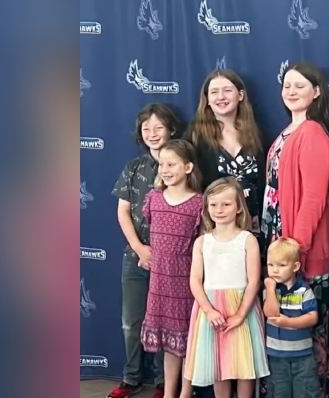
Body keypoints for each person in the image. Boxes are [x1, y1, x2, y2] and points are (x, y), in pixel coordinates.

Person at [261, 62, 329, 397]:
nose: (291, 91)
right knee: (284, 341)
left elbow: (314, 196)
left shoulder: (312, 133)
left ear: (317, 92)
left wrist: (297, 248)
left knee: (309, 341)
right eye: (287, 86)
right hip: (282, 248)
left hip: (301, 252)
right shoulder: (288, 131)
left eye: (300, 85)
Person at [110, 103, 186, 398]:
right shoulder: (134, 168)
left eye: (158, 127)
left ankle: (162, 381)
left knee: (168, 323)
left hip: (173, 262)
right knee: (132, 322)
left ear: (171, 130)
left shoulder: (184, 164)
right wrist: (140, 249)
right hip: (135, 258)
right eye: (146, 129)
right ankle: (131, 377)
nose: (153, 134)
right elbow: (123, 213)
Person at [184, 177, 270, 398]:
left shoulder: (247, 240)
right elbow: (195, 280)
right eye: (213, 205)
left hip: (242, 308)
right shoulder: (202, 242)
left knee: (244, 366)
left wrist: (241, 314)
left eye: (226, 204)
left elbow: (253, 280)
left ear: (239, 207)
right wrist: (209, 310)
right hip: (211, 310)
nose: (219, 210)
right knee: (218, 364)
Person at [140, 139, 204, 398]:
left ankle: (185, 393)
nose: (165, 170)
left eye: (172, 164)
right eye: (162, 165)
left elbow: (202, 242)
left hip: (186, 280)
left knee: (187, 340)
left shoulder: (199, 203)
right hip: (159, 281)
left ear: (188, 167)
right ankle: (169, 392)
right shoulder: (153, 198)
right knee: (170, 343)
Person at [187, 69, 265, 236]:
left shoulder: (257, 135)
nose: (221, 97)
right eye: (214, 92)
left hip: (254, 228)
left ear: (240, 95)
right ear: (207, 99)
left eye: (227, 90)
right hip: (214, 229)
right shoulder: (194, 136)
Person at [262, 237, 321, 398]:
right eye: (270, 265)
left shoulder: (303, 290)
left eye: (281, 265)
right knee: (279, 392)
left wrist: (289, 322)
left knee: (305, 391)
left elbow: (312, 317)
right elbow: (271, 313)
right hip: (277, 355)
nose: (274, 270)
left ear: (295, 266)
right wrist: (270, 287)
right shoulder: (271, 290)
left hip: (302, 355)